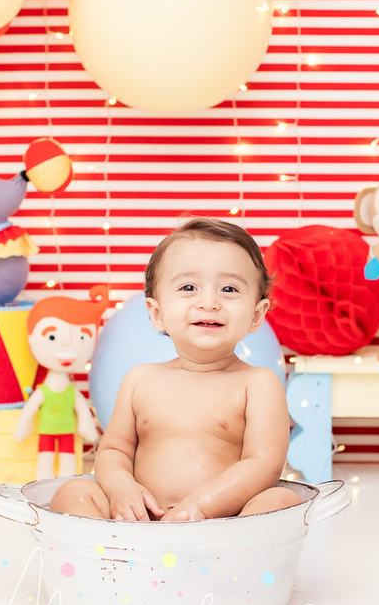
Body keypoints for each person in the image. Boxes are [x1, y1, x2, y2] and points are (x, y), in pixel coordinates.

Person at [49, 218, 300, 521]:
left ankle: (227, 552)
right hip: (139, 521)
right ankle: (110, 551)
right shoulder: (140, 380)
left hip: (224, 526)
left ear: (257, 315)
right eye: (188, 287)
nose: (209, 302)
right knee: (72, 492)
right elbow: (114, 451)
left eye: (229, 288)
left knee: (282, 501)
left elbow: (264, 465)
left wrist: (201, 506)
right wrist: (121, 489)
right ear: (157, 313)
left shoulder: (258, 384)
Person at [14, 285, 109, 479]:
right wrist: (23, 424)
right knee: (45, 458)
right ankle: (43, 481)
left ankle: (67, 482)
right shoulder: (43, 391)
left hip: (67, 430)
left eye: (81, 336)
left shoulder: (71, 392)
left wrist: (87, 425)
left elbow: (82, 410)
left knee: (68, 459)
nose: (67, 346)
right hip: (46, 430)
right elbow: (30, 409)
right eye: (52, 336)